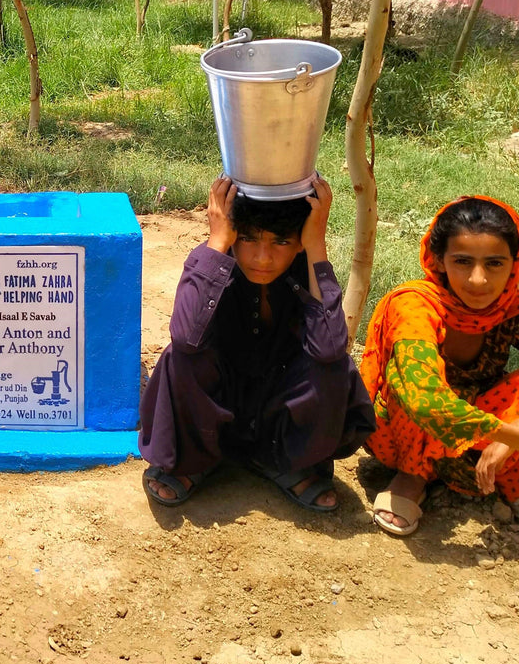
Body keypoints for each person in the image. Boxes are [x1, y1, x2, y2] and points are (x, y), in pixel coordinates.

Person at [139, 174, 374, 512]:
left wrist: (315, 247)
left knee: (333, 367)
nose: (262, 258)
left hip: (278, 408)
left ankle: (287, 461)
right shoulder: (214, 261)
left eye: (280, 242)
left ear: (299, 241)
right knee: (182, 356)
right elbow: (186, 338)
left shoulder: (304, 271)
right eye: (248, 238)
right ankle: (195, 459)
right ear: (232, 232)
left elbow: (329, 348)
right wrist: (218, 240)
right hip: (217, 403)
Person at [361, 196, 519, 536]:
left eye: (495, 264)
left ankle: (509, 478)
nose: (478, 280)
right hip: (403, 436)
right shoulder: (414, 305)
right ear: (439, 260)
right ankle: (411, 478)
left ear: (515, 264)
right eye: (463, 262)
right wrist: (512, 434)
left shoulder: (510, 308)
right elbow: (424, 398)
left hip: (478, 439)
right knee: (407, 378)